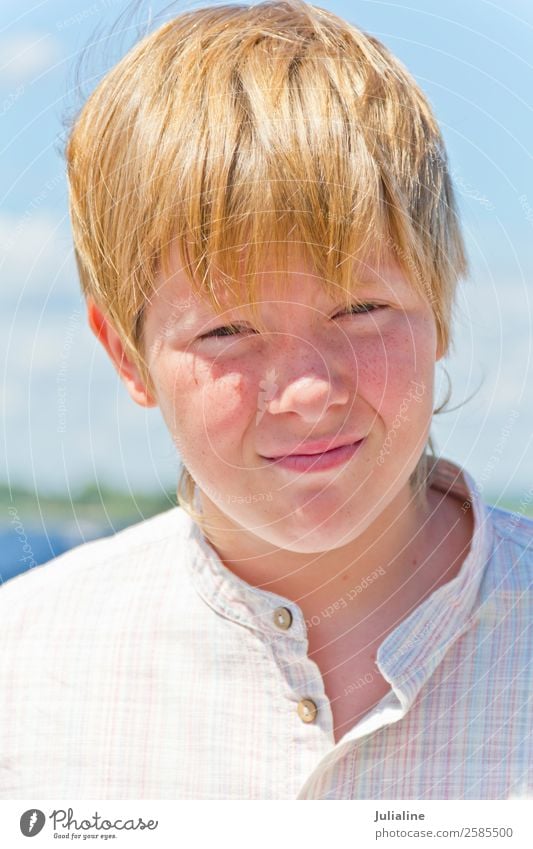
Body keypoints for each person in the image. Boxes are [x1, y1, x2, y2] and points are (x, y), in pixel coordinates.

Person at [0, 0, 531, 800]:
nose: (310, 392)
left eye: (360, 310)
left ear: (441, 305)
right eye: (226, 330)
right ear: (126, 354)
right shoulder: (25, 672)